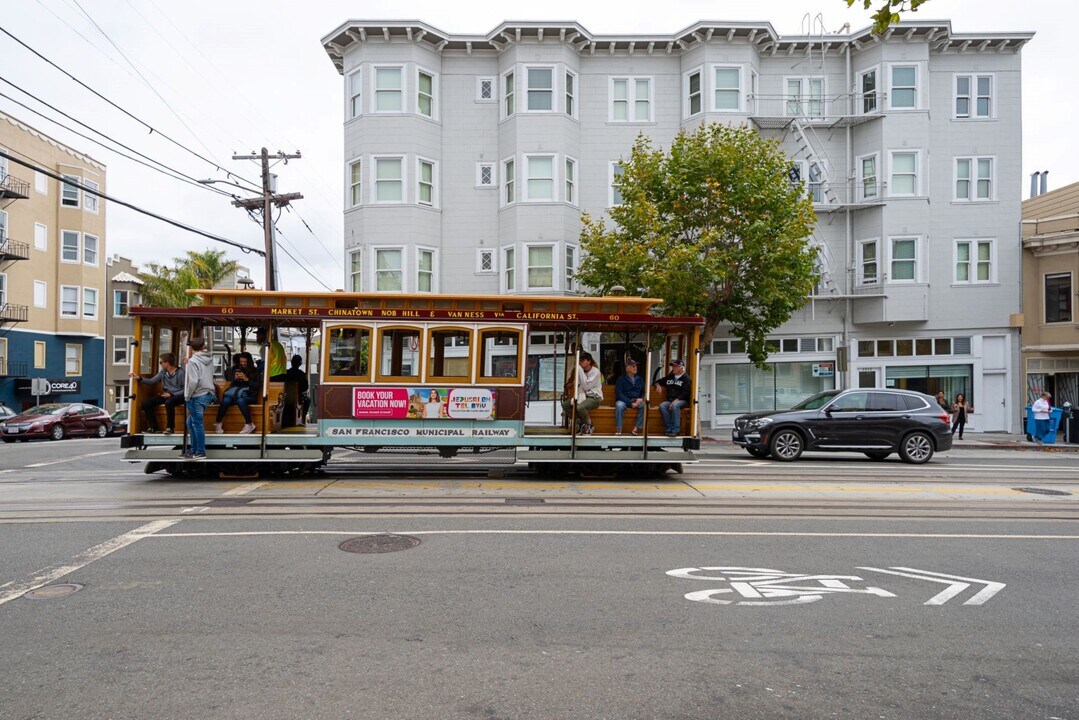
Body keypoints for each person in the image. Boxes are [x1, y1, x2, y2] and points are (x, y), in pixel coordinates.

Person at [130, 353, 185, 434]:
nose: (161, 364)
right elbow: (152, 381)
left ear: (167, 362)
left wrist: (172, 394)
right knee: (146, 403)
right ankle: (153, 427)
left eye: (161, 362)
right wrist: (139, 378)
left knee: (169, 402)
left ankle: (170, 427)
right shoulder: (163, 372)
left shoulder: (181, 373)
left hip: (179, 396)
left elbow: (186, 389)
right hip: (166, 395)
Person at [181, 336, 215, 460]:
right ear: (203, 346)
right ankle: (193, 450)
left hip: (197, 395)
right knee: (190, 422)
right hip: (208, 394)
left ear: (191, 348)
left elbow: (193, 380)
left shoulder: (193, 361)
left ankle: (200, 451)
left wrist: (187, 395)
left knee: (197, 424)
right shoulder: (208, 358)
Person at [214, 351, 260, 434]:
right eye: (242, 362)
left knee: (240, 400)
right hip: (237, 394)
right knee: (226, 400)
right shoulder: (237, 369)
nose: (243, 364)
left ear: (249, 361)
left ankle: (249, 424)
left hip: (250, 395)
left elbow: (257, 386)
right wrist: (235, 379)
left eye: (245, 362)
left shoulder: (255, 371)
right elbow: (232, 385)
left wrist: (247, 379)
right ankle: (218, 423)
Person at [561, 353, 603, 435]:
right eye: (579, 360)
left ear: (589, 361)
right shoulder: (581, 371)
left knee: (580, 408)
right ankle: (580, 421)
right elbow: (576, 383)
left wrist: (579, 370)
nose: (580, 362)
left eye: (583, 360)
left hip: (594, 398)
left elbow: (587, 386)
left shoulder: (595, 372)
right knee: (565, 405)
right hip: (582, 396)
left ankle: (589, 425)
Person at [655, 358, 692, 436]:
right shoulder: (670, 377)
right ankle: (669, 429)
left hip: (682, 400)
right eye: (673, 366)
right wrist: (658, 386)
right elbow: (657, 381)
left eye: (675, 366)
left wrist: (676, 400)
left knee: (675, 406)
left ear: (681, 368)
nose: (673, 368)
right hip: (670, 400)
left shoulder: (686, 379)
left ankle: (675, 430)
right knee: (662, 406)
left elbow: (686, 393)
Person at [614, 358, 645, 435]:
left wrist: (641, 399)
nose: (635, 368)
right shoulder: (621, 379)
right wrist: (630, 403)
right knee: (619, 405)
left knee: (645, 405)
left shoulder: (640, 379)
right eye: (633, 366)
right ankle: (619, 428)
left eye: (636, 366)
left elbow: (644, 392)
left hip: (637, 400)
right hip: (625, 400)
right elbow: (619, 394)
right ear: (627, 368)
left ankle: (635, 429)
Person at [283, 354, 310, 422]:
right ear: (300, 364)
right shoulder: (302, 374)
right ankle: (303, 417)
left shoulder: (286, 373)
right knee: (308, 399)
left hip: (285, 396)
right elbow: (305, 388)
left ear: (291, 362)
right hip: (298, 397)